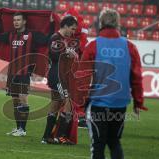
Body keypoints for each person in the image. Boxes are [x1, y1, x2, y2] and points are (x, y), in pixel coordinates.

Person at [82, 9, 146, 159]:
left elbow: (82, 77)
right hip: (120, 103)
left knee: (98, 144)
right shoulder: (130, 47)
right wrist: (138, 102)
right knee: (114, 142)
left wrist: (79, 104)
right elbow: (136, 77)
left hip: (99, 102)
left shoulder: (93, 46)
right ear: (118, 23)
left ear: (101, 23)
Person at [0, 12, 54, 136]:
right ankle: (18, 128)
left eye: (18, 20)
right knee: (15, 100)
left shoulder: (32, 35)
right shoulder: (10, 35)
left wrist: (52, 24)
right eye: (14, 20)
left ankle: (23, 130)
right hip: (12, 73)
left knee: (23, 99)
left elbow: (47, 40)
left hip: (24, 73)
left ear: (24, 21)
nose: (16, 22)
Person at [41, 15, 79, 144]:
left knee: (55, 104)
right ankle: (60, 137)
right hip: (57, 77)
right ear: (66, 26)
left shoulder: (63, 39)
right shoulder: (56, 38)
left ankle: (46, 137)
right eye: (72, 28)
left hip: (58, 76)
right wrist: (67, 54)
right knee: (68, 102)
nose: (73, 32)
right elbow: (54, 54)